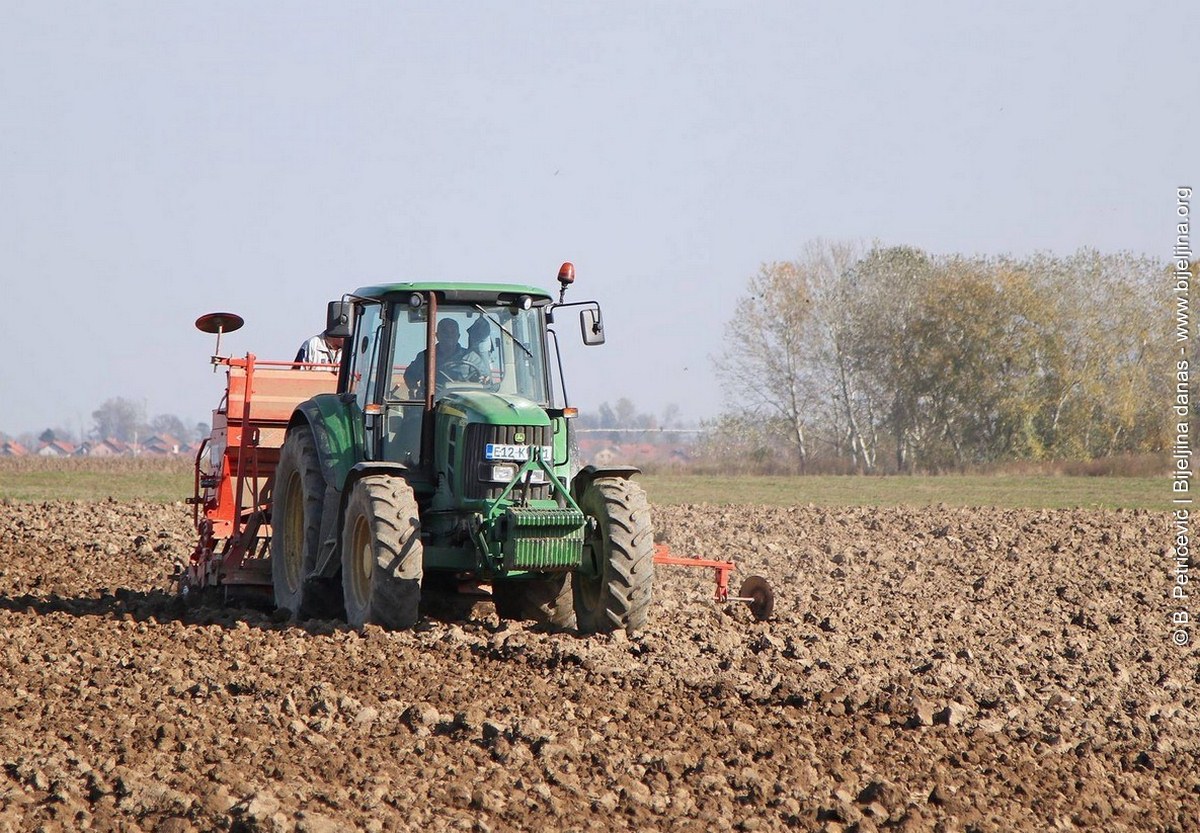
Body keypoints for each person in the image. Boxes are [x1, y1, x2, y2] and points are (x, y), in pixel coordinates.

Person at [403, 317, 472, 394]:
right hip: (433, 402)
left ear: (458, 336)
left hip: (462, 403)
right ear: (437, 336)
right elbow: (410, 375)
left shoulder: (470, 357)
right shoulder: (424, 357)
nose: (449, 336)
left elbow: (483, 378)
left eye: (453, 333)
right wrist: (414, 390)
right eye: (445, 332)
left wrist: (484, 379)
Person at [463, 317, 494, 383]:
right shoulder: (435, 355)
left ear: (458, 336)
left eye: (452, 333)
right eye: (445, 334)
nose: (449, 338)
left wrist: (483, 378)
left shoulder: (472, 357)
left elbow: (485, 379)